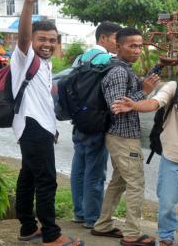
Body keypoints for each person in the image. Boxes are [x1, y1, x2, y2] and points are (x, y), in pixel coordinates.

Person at [111, 49, 178, 246]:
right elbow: (155, 102)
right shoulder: (174, 87)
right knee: (167, 204)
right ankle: (166, 237)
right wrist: (135, 105)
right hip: (172, 157)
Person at [11, 0, 83, 246]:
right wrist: (29, 5)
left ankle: (28, 227)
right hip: (31, 126)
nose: (48, 44)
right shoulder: (24, 56)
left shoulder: (45, 64)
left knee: (28, 175)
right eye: (42, 39)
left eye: (53, 40)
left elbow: (43, 98)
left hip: (38, 127)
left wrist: (52, 127)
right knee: (47, 181)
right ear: (33, 39)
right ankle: (51, 234)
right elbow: (23, 37)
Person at [91, 28, 174, 246]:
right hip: (122, 136)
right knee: (136, 183)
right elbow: (117, 106)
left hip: (122, 136)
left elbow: (134, 88)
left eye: (139, 46)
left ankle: (103, 225)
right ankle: (132, 234)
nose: (137, 50)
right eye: (132, 46)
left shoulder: (123, 68)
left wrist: (159, 68)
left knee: (118, 182)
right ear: (118, 47)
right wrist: (144, 93)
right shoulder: (118, 72)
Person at [70, 22, 122, 229]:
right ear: (103, 39)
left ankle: (80, 213)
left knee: (79, 168)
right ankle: (92, 218)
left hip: (79, 120)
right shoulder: (108, 60)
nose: (118, 44)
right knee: (95, 172)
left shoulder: (79, 58)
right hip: (97, 122)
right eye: (115, 39)